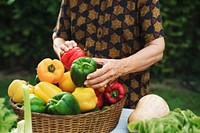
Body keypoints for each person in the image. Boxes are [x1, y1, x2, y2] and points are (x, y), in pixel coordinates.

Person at [52, 0, 165, 108]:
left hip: (128, 101)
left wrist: (120, 67)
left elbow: (157, 47)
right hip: (79, 101)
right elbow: (59, 36)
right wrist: (63, 49)